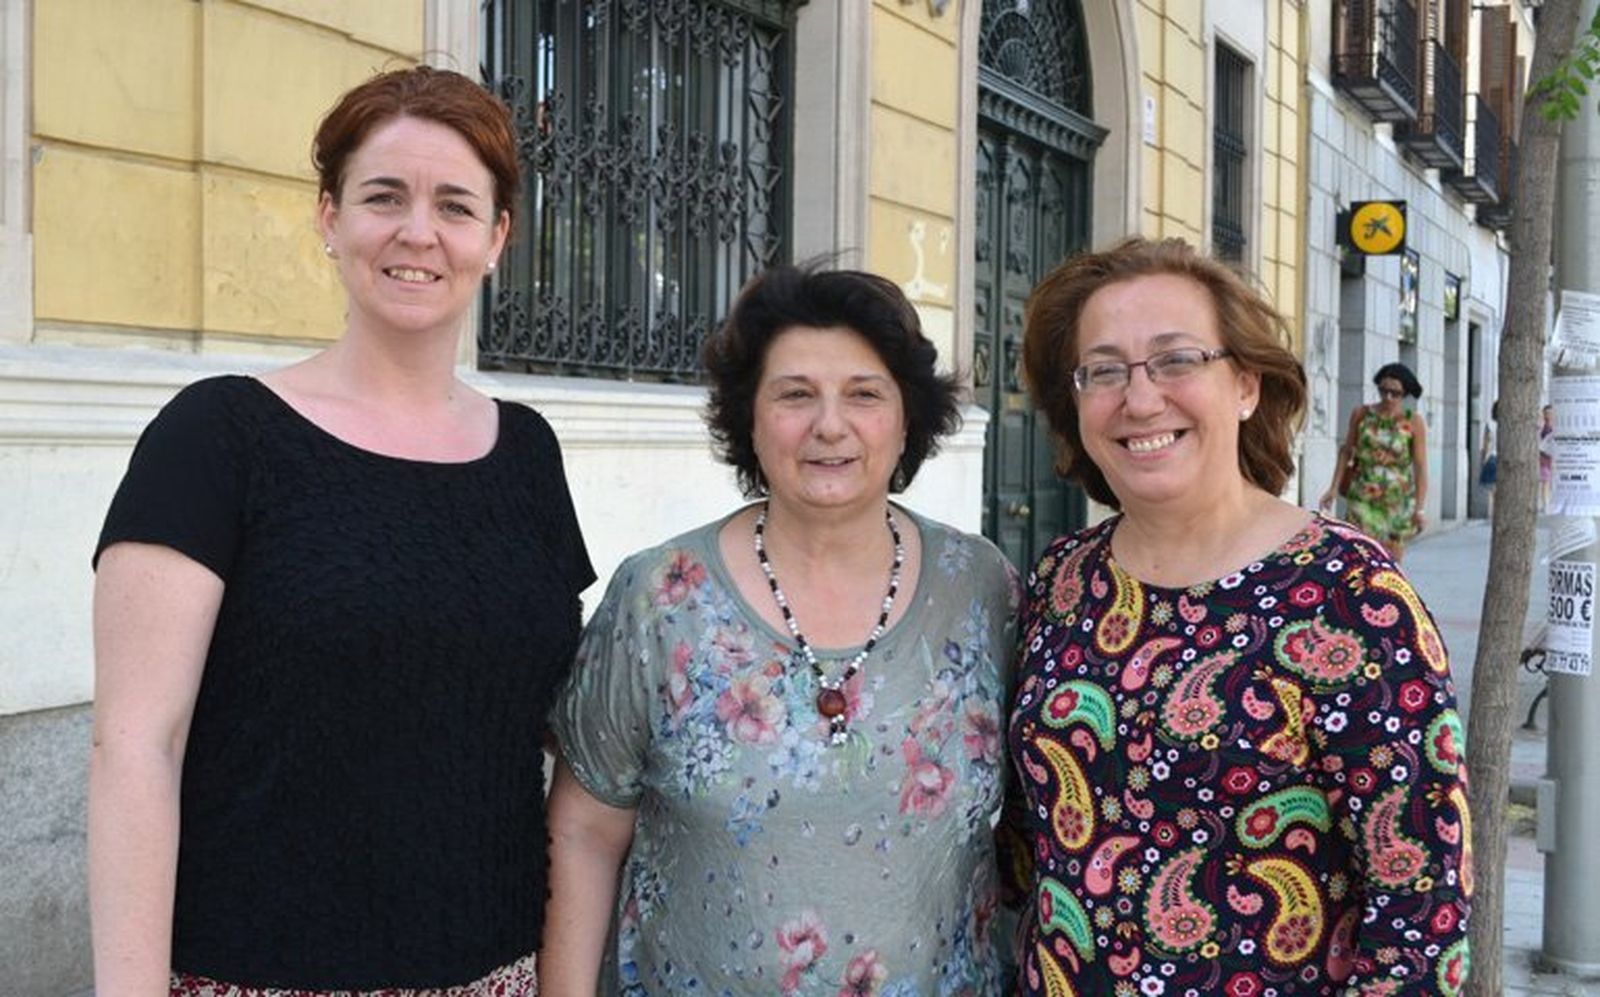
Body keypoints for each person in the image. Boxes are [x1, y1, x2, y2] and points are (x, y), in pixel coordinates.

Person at [89, 67, 593, 995]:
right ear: (329, 217)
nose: (417, 231)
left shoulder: (527, 451)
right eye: (383, 196)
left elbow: (551, 728)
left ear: (496, 239)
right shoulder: (218, 436)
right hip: (259, 975)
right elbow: (134, 747)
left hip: (496, 972)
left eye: (454, 204)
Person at [539, 265, 1019, 995]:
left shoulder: (981, 587)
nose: (830, 424)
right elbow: (583, 833)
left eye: (864, 394)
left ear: (906, 417)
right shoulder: (660, 599)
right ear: (750, 419)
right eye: (795, 395)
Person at [1010, 238, 1471, 995]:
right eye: (1104, 370)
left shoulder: (1352, 594)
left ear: (1247, 384)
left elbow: (1421, 911)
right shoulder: (1062, 581)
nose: (1140, 397)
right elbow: (1031, 850)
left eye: (1176, 359)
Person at [1320, 362, 1428, 561]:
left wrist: (1419, 509)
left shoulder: (1413, 422)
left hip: (1397, 502)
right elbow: (1346, 451)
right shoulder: (1361, 414)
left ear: (1404, 394)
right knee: (1358, 556)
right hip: (1362, 495)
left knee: (1391, 562)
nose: (1388, 397)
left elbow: (1420, 467)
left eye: (1394, 393)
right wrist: (1333, 488)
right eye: (1383, 391)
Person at [1479, 400, 1498, 516]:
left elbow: (1485, 444)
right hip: (1504, 459)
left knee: (1493, 492)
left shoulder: (1490, 424)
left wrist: (1482, 460)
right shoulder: (1510, 424)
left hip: (1492, 458)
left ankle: (1495, 513)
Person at [1539, 403, 1555, 511]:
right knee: (1545, 481)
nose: (1548, 415)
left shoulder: (1553, 427)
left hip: (1551, 458)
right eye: (1546, 413)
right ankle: (1545, 504)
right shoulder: (1543, 428)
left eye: (1550, 413)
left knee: (1549, 482)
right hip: (1543, 458)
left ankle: (1547, 503)